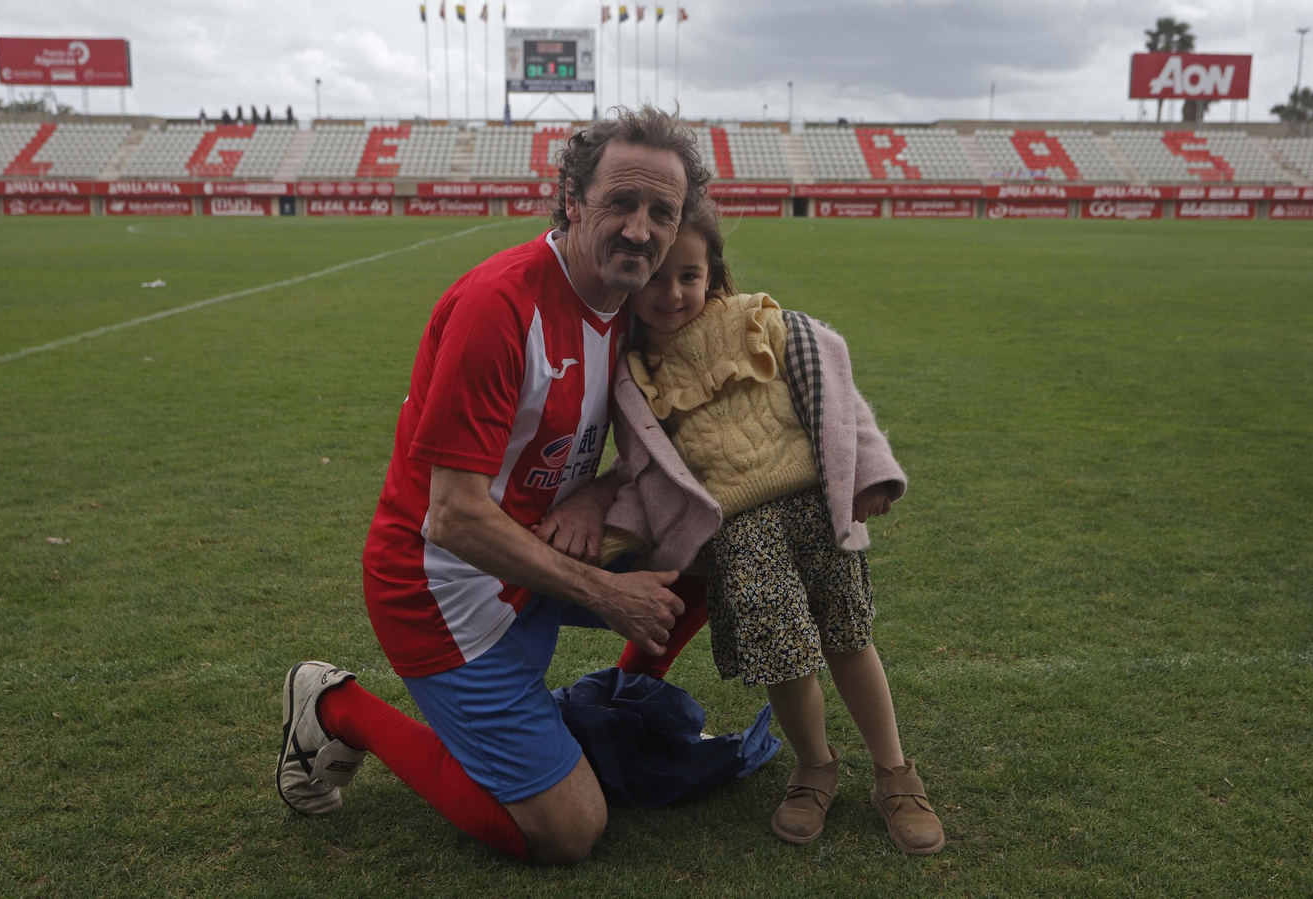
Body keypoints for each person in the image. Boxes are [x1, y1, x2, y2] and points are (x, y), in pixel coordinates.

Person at [276, 106, 711, 865]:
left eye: (661, 212)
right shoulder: (499, 307)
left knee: (718, 546)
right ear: (573, 200)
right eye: (620, 203)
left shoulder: (631, 307)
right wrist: (610, 594)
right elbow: (451, 517)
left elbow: (664, 450)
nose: (640, 229)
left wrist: (598, 491)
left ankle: (620, 711)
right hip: (441, 591)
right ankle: (336, 705)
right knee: (567, 831)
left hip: (537, 550)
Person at [538, 201, 946, 855]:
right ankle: (815, 763)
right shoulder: (634, 372)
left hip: (814, 507)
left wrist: (869, 472)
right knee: (784, 658)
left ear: (715, 275)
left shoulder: (763, 320)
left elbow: (840, 400)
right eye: (657, 279)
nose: (672, 293)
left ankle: (895, 772)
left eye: (690, 276)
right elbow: (644, 472)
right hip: (737, 534)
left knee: (848, 638)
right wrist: (602, 529)